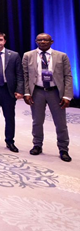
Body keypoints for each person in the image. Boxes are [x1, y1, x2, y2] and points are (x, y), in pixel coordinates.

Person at [23, 33, 74, 162]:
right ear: (36, 41)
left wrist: (67, 95)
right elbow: (25, 75)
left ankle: (63, 149)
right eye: (40, 40)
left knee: (60, 123)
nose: (43, 42)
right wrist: (27, 93)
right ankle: (37, 145)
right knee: (37, 121)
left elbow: (68, 76)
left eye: (46, 40)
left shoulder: (61, 56)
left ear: (51, 42)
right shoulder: (28, 55)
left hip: (55, 92)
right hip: (37, 92)